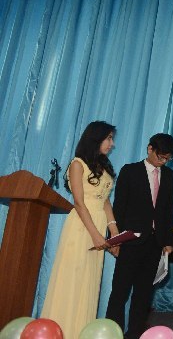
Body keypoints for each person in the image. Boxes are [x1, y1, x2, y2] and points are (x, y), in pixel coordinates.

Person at [41, 121, 118, 338]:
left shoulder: (104, 166)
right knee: (73, 278)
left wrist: (114, 231)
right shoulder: (78, 164)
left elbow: (105, 201)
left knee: (88, 281)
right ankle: (64, 331)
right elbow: (79, 202)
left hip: (98, 224)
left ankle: (81, 330)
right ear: (96, 138)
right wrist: (95, 234)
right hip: (81, 227)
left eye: (112, 139)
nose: (112, 143)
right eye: (108, 138)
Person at [107, 133, 173, 339]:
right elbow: (119, 208)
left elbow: (168, 210)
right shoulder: (130, 171)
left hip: (155, 243)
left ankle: (135, 334)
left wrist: (168, 241)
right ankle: (113, 333)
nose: (163, 161)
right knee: (120, 292)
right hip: (130, 241)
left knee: (143, 295)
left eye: (167, 158)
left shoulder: (169, 176)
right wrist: (115, 240)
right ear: (149, 149)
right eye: (160, 157)